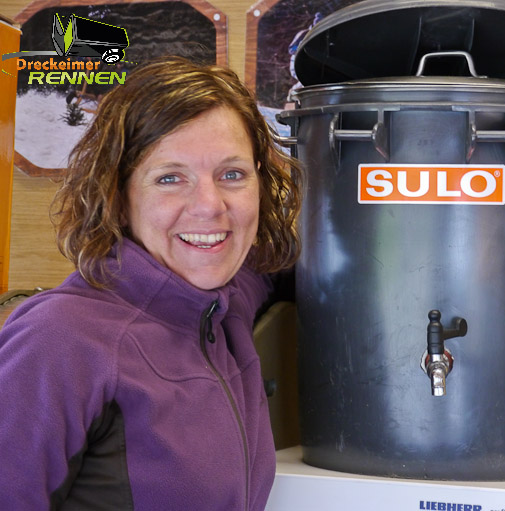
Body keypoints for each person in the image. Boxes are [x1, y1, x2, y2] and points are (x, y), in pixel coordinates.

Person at [0, 56, 303, 510]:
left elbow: (276, 267)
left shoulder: (224, 300)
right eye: (170, 178)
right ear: (119, 197)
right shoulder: (60, 339)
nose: (209, 205)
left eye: (232, 174)